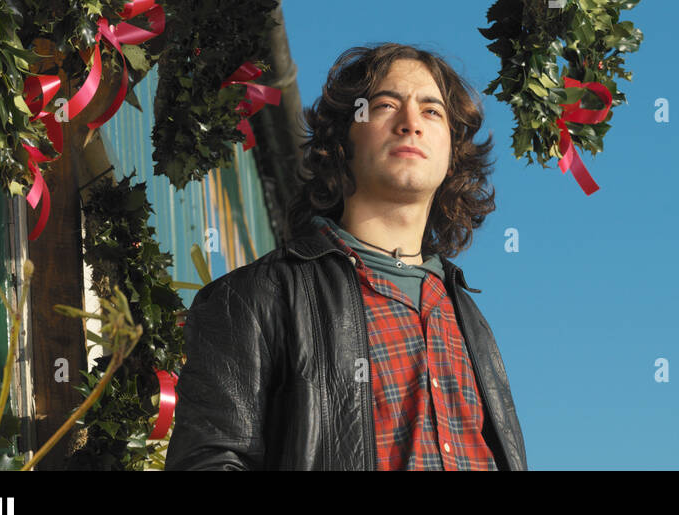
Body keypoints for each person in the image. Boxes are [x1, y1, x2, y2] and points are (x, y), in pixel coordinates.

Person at [165, 43, 528, 470]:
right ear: (342, 138)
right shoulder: (254, 298)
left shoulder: (470, 321)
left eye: (432, 111)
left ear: (453, 155)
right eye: (386, 105)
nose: (411, 123)